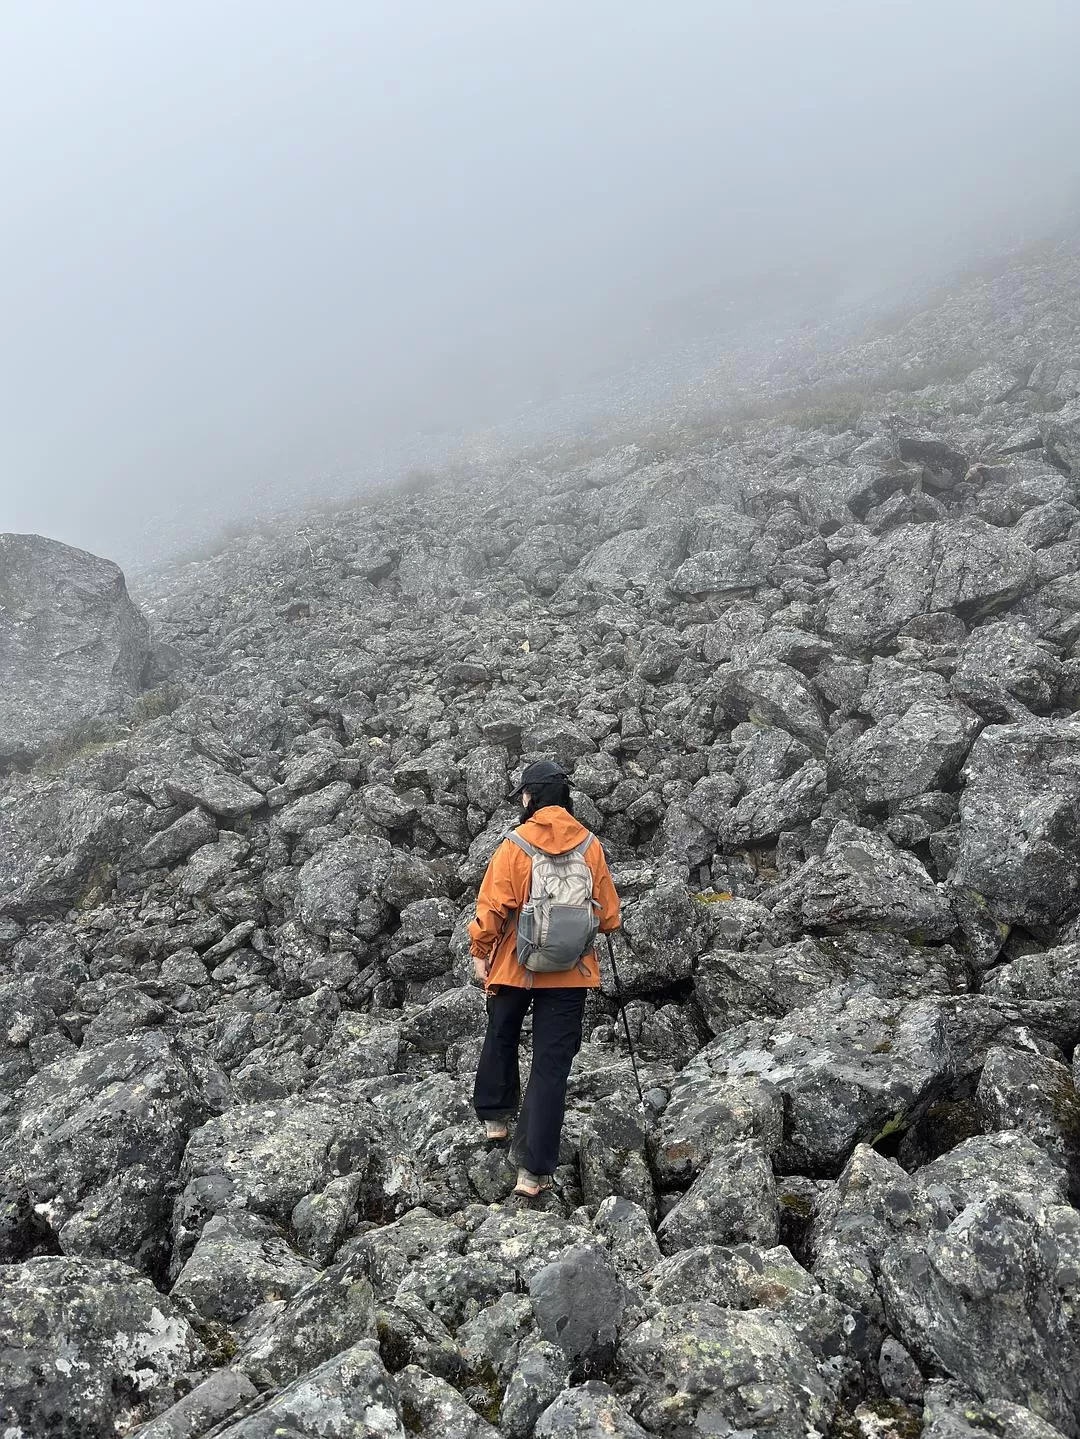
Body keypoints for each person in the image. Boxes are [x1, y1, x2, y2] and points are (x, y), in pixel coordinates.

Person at [469, 759, 621, 1198]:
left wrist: (480, 952)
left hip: (516, 964)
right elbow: (609, 916)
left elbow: (492, 908)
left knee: (502, 1031)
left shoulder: (514, 845)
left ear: (529, 797)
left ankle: (495, 1117)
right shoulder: (589, 845)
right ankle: (532, 1173)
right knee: (551, 1065)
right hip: (570, 971)